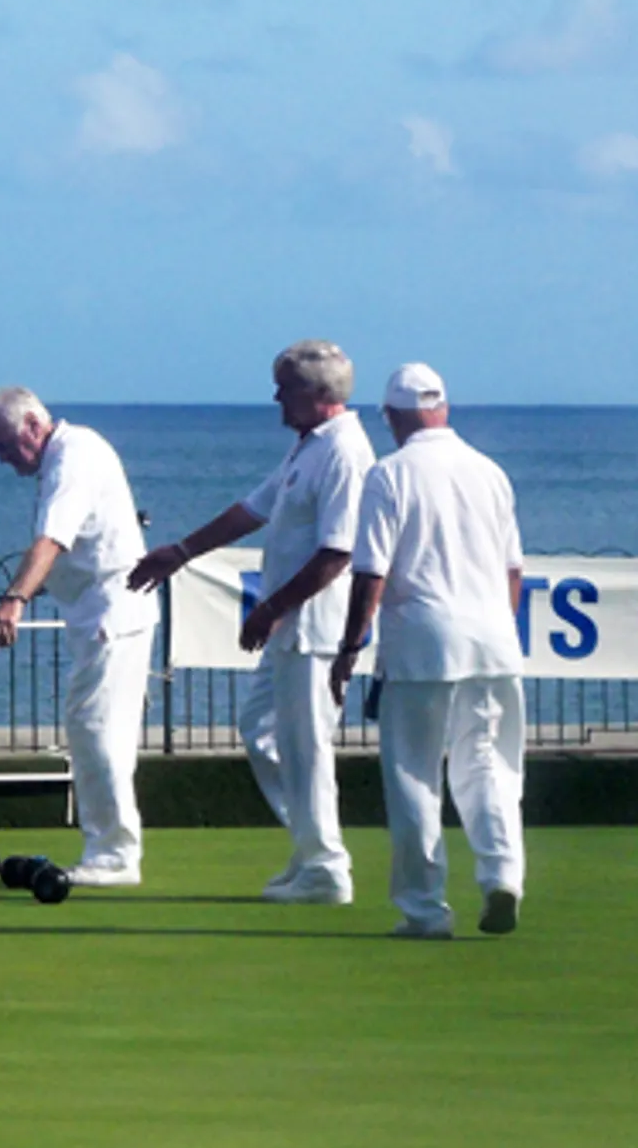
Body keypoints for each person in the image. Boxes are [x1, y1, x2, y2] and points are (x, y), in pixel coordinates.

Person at [129, 340, 373, 903]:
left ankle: (327, 867)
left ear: (317, 394)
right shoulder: (308, 448)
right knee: (262, 728)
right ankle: (312, 849)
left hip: (313, 629)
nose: (276, 398)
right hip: (292, 627)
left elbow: (338, 553)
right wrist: (182, 550)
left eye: (285, 388)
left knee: (306, 745)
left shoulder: (344, 453)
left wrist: (270, 607)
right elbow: (252, 509)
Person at [331, 363, 527, 939]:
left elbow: (370, 573)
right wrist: (496, 626)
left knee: (415, 774)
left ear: (392, 416)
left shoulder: (389, 474)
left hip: (422, 642)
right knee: (488, 764)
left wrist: (349, 647)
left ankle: (424, 909)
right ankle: (502, 875)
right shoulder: (490, 472)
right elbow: (513, 571)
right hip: (493, 641)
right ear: (443, 409)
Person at [0, 387, 159, 887]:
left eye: (5, 446)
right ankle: (111, 848)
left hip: (113, 610)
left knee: (94, 726)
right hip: (100, 612)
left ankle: (115, 855)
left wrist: (15, 599)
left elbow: (51, 540)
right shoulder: (67, 453)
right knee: (98, 728)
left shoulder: (72, 459)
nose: (2, 459)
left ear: (33, 427)